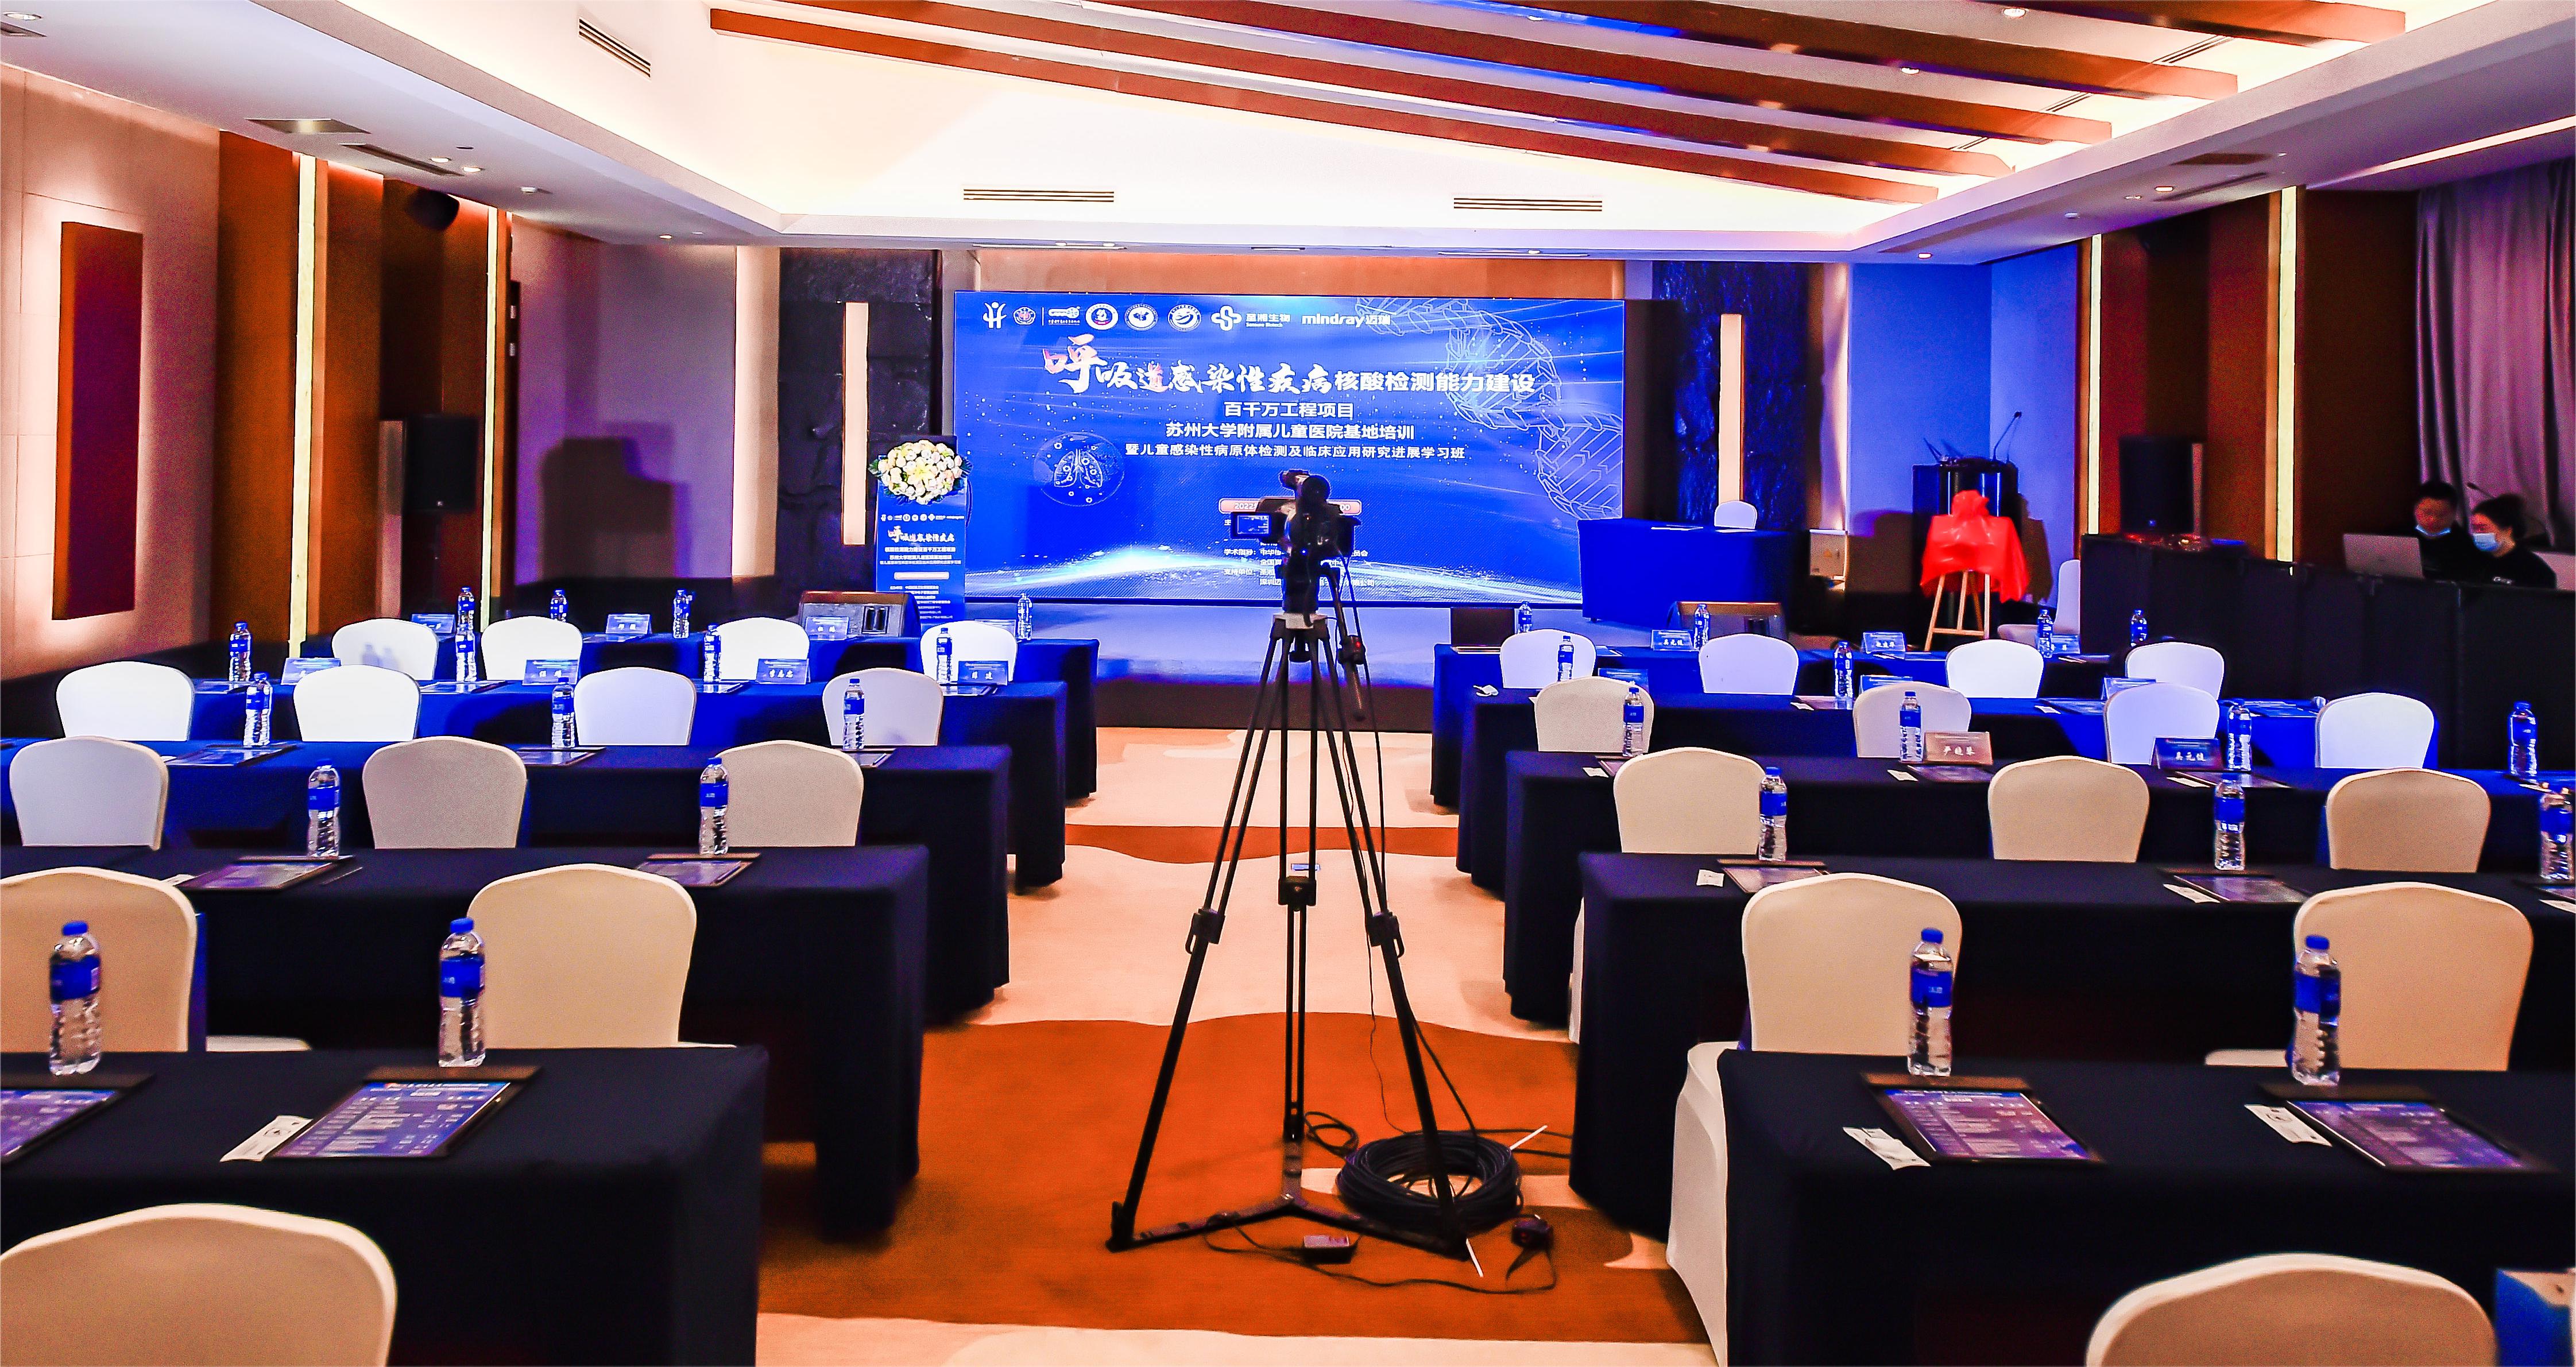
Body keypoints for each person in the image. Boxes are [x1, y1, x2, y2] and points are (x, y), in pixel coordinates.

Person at [2459, 493, 2558, 588]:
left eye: (2483, 528)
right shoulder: (2472, 561)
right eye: (2475, 528)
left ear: (2508, 530)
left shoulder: (2535, 570)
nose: (2477, 533)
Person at [2401, 479, 2478, 578]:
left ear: (2454, 514)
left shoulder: (2466, 545)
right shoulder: (2398, 537)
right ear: (2416, 510)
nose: (2433, 520)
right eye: (2427, 513)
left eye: (2442, 515)